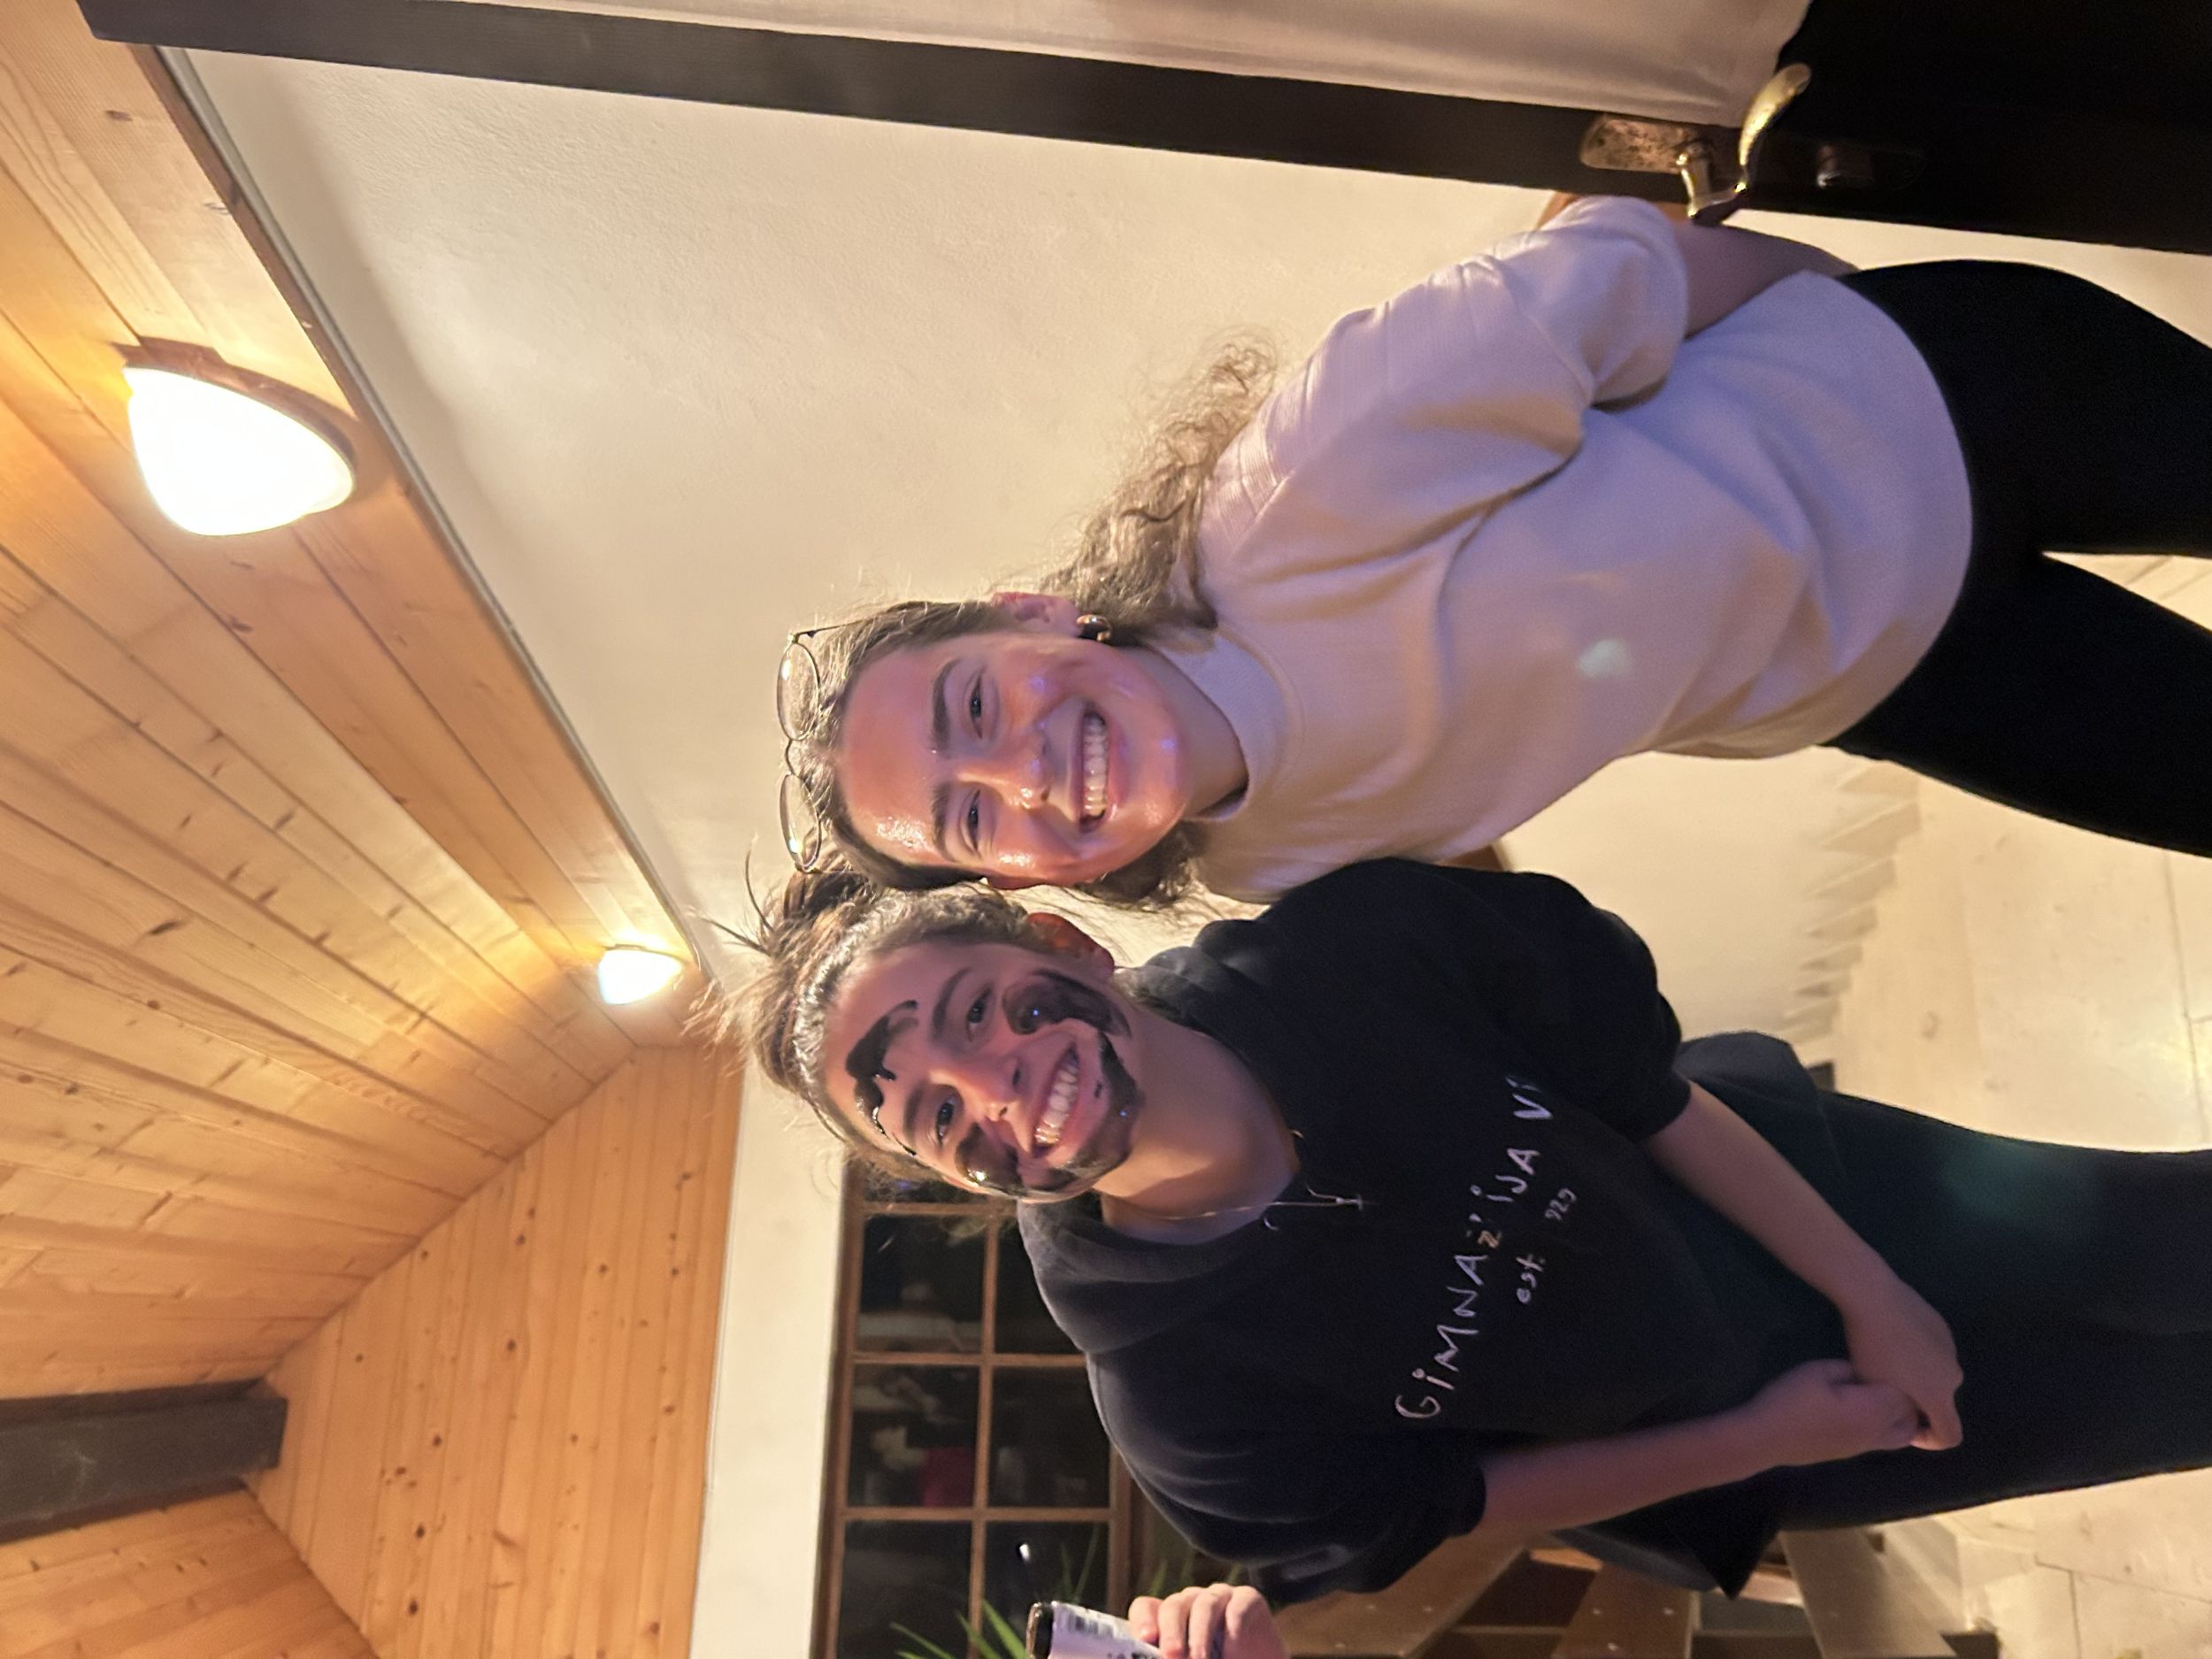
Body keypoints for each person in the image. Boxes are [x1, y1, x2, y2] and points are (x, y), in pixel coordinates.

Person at [737, 857, 2212, 1598]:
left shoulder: (1347, 954)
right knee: (2165, 1410)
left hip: (1821, 1197)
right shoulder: (1173, 1384)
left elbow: (1642, 1096)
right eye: (930, 1115)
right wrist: (1771, 1436)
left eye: (975, 1013)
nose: (991, 1088)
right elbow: (1443, 1502)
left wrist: (1870, 1285)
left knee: (2167, 1234)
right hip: (1765, 1431)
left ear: (1061, 943)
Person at [774, 196, 2212, 908]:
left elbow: (1623, 256)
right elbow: (1448, 797)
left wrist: (1862, 326)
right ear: (1023, 881)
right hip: (1904, 681)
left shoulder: (1306, 487)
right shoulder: (1258, 866)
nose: (1021, 775)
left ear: (1036, 613)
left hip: (1957, 398)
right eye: (971, 821)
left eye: (975, 706)